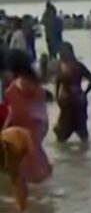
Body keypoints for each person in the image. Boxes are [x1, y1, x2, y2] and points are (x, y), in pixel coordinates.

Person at [2, 50, 52, 191]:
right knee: (37, 162)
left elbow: (16, 112)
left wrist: (5, 129)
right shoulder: (35, 82)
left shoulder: (18, 86)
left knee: (24, 171)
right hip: (38, 127)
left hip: (23, 128)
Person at [53, 43, 91, 143]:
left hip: (76, 101)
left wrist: (85, 93)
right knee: (63, 132)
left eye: (62, 51)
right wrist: (57, 97)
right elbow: (58, 82)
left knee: (80, 130)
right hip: (69, 101)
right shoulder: (61, 65)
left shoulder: (77, 66)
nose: (61, 53)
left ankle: (83, 154)